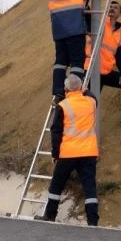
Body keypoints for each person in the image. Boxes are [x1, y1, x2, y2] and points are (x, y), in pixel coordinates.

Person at [42, 0, 111, 102]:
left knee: (61, 60)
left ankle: (58, 91)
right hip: (73, 25)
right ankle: (75, 91)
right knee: (77, 61)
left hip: (58, 27)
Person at [38, 74, 100, 226]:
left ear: (66, 89)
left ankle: (50, 215)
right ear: (81, 88)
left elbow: (56, 132)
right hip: (88, 152)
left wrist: (55, 154)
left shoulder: (63, 106)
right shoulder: (91, 102)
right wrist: (84, 90)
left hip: (68, 153)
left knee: (56, 185)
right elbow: (91, 95)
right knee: (89, 187)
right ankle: (93, 221)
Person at [84, 0, 121, 126]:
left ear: (119, 13)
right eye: (110, 6)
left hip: (106, 73)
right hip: (91, 71)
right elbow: (88, 18)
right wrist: (85, 5)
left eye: (115, 8)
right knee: (89, 103)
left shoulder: (119, 36)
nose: (112, 9)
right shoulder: (99, 23)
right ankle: (83, 132)